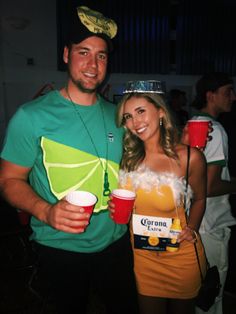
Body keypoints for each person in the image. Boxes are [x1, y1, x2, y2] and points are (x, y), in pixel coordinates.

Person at [0, 6, 139, 314]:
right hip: (59, 248)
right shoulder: (31, 116)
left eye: (101, 55)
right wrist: (45, 211)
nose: (93, 64)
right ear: (66, 55)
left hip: (115, 246)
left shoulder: (117, 115)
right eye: (83, 52)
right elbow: (8, 180)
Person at [109, 80, 207, 314]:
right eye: (128, 117)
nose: (135, 122)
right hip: (144, 259)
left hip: (180, 256)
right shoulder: (127, 157)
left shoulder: (189, 157)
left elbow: (201, 198)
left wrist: (192, 228)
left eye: (141, 111)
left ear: (161, 112)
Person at [191, 72, 236, 314]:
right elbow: (210, 187)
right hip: (211, 222)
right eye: (228, 91)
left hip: (194, 222)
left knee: (199, 290)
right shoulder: (215, 130)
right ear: (211, 95)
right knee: (212, 294)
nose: (233, 97)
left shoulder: (192, 125)